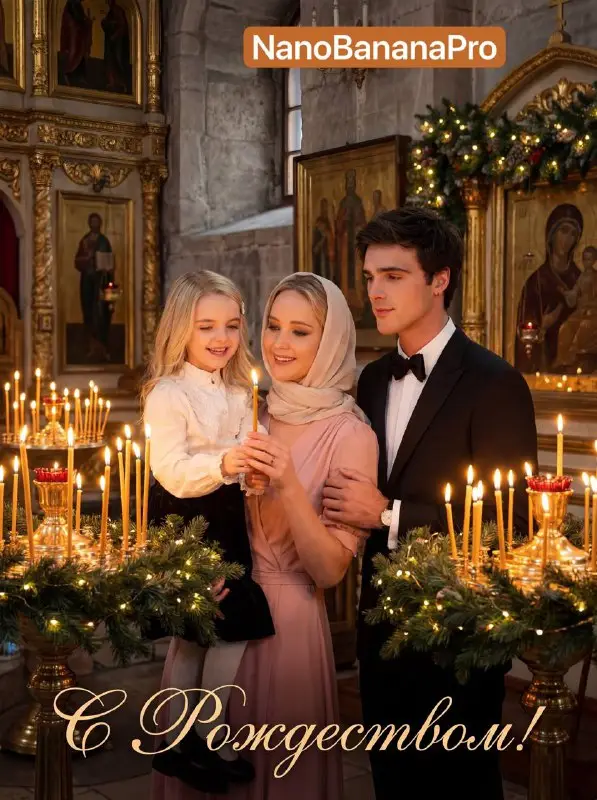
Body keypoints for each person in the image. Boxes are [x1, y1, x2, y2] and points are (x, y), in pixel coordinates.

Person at [322, 208, 538, 800]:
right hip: (378, 628)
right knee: (392, 786)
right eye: (369, 277)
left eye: (393, 275)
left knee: (460, 789)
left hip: (458, 637)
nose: (375, 292)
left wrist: (387, 516)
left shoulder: (494, 384)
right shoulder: (369, 381)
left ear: (439, 279)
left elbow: (510, 522)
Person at [218, 272, 378, 800]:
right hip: (219, 615)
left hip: (288, 628)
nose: (280, 343)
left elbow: (330, 570)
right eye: (273, 326)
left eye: (300, 332)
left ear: (329, 341)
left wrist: (286, 483)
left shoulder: (350, 434)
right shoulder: (245, 410)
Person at [144, 271, 275, 795]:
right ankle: (182, 739)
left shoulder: (243, 389)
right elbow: (170, 470)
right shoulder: (168, 393)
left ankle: (207, 734)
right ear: (182, 329)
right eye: (206, 327)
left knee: (230, 630)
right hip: (185, 524)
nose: (221, 338)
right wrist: (226, 462)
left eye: (231, 325)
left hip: (227, 519)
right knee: (196, 636)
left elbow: (246, 458)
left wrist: (253, 473)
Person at [515, 203, 583, 372]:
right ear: (551, 235)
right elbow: (524, 334)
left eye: (573, 234)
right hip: (542, 366)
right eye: (563, 231)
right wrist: (542, 327)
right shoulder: (536, 282)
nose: (567, 240)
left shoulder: (581, 279)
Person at [74, 212, 114, 362]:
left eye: (97, 221)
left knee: (102, 312)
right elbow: (77, 261)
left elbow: (109, 262)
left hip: (101, 282)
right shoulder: (84, 241)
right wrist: (88, 258)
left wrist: (106, 267)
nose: (95, 224)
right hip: (87, 281)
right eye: (93, 222)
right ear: (90, 224)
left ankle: (103, 347)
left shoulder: (104, 241)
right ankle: (90, 345)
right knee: (88, 311)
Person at [555, 246, 597, 370]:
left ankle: (575, 356)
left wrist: (590, 307)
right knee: (565, 327)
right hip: (580, 312)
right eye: (584, 259)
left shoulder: (596, 277)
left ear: (594, 260)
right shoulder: (582, 276)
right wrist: (566, 293)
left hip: (593, 313)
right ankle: (563, 359)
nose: (586, 262)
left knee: (584, 327)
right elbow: (575, 293)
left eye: (589, 259)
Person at [59, 0, 93, 87]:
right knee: (74, 53)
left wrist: (87, 22)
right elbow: (74, 18)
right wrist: (84, 22)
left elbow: (81, 18)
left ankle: (80, 77)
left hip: (79, 34)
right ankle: (68, 72)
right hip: (73, 34)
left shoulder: (78, 5)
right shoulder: (71, 4)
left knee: (81, 55)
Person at [101, 0, 130, 92]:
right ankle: (112, 82)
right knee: (110, 60)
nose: (108, 2)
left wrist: (115, 35)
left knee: (118, 60)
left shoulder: (118, 10)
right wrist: (105, 23)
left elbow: (122, 26)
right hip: (111, 41)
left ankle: (121, 83)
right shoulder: (110, 12)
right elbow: (108, 26)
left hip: (118, 42)